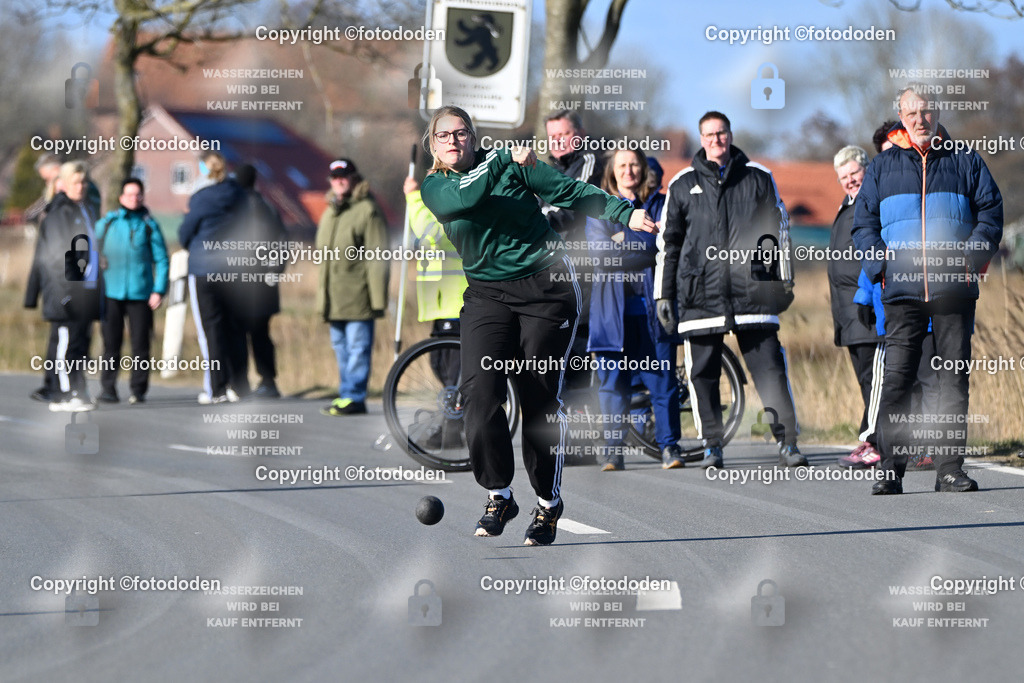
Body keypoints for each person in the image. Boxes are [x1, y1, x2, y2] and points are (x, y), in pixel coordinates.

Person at [420, 105, 656, 545]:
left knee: (538, 396)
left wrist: (624, 213)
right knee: (479, 396)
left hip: (548, 290)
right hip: (488, 295)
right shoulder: (436, 187)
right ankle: (499, 494)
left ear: (473, 136)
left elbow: (569, 191)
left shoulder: (514, 168)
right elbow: (468, 196)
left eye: (461, 133)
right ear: (433, 147)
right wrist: (505, 159)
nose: (453, 141)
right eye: (442, 136)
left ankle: (548, 503)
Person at [853, 84, 1002, 495]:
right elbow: (862, 225)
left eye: (927, 111)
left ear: (937, 114)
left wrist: (971, 257)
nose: (921, 119)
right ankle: (889, 469)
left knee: (952, 380)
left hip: (953, 289)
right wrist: (879, 264)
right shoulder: (883, 167)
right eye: (912, 112)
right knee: (898, 381)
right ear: (901, 117)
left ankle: (949, 470)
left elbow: (990, 211)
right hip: (901, 292)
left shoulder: (966, 160)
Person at [655, 111, 806, 469]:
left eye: (721, 133)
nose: (716, 140)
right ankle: (712, 445)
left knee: (769, 371)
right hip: (698, 295)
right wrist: (664, 294)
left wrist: (781, 280)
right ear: (700, 138)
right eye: (708, 135)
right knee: (703, 375)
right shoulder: (681, 184)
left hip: (753, 295)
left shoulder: (758, 177)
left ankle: (788, 443)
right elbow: (669, 244)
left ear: (730, 134)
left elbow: (778, 232)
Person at [586, 149, 682, 471]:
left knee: (662, 383)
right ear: (612, 172)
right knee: (613, 385)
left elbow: (668, 246)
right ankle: (613, 451)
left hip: (654, 310)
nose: (629, 171)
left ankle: (670, 448)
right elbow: (600, 254)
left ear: (643, 170)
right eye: (622, 166)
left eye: (635, 165)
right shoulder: (598, 208)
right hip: (611, 314)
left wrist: (621, 239)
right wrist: (642, 243)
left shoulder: (661, 204)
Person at [24, 161, 102, 411]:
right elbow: (59, 257)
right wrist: (66, 294)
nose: (80, 187)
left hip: (86, 291)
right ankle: (63, 392)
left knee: (80, 344)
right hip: (67, 292)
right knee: (65, 344)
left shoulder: (86, 209)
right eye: (76, 182)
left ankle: (77, 389)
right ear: (63, 185)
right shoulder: (60, 213)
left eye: (83, 182)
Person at [826, 146, 884, 469]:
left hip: (866, 308)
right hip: (847, 313)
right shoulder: (846, 205)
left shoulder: (871, 203)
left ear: (866, 170)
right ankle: (875, 440)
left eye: (854, 174)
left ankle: (874, 442)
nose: (849, 181)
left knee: (873, 379)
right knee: (866, 379)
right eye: (844, 177)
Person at [316, 158, 388, 416]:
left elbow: (378, 256)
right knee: (341, 349)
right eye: (335, 177)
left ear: (355, 178)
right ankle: (346, 394)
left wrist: (378, 300)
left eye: (344, 176)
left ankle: (355, 397)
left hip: (359, 296)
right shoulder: (329, 211)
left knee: (358, 349)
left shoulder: (367, 210)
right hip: (333, 298)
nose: (339, 181)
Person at [404, 176, 467, 448]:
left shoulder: (451, 202)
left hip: (456, 301)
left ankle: (452, 427)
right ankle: (453, 423)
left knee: (454, 373)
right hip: (440, 305)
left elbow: (431, 230)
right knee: (440, 366)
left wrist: (413, 197)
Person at [179, 150, 246, 404]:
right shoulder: (239, 195)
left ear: (204, 169)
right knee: (233, 328)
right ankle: (237, 385)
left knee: (211, 330)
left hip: (205, 268)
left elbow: (186, 231)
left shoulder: (201, 197)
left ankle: (215, 388)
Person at [94, 178, 169, 404]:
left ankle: (138, 390)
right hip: (111, 293)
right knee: (111, 343)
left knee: (141, 344)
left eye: (137, 195)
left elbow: (162, 260)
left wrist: (159, 290)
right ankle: (108, 388)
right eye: (129, 194)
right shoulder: (107, 224)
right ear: (121, 198)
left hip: (141, 294)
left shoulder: (149, 225)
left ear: (142, 197)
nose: (133, 199)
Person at [223, 164, 288, 399]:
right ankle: (268, 381)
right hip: (264, 283)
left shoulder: (234, 208)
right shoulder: (268, 208)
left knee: (237, 334)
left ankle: (240, 383)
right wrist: (275, 271)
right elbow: (282, 242)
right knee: (260, 334)